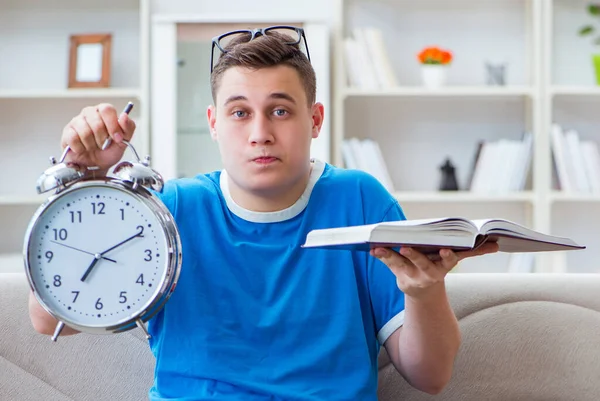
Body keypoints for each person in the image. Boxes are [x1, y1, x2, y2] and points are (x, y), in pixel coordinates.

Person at [29, 26, 498, 400]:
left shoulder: (360, 200)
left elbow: (431, 376)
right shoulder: (172, 208)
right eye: (239, 113)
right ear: (214, 123)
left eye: (279, 111)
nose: (259, 133)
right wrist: (87, 182)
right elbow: (50, 321)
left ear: (314, 120)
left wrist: (426, 290)